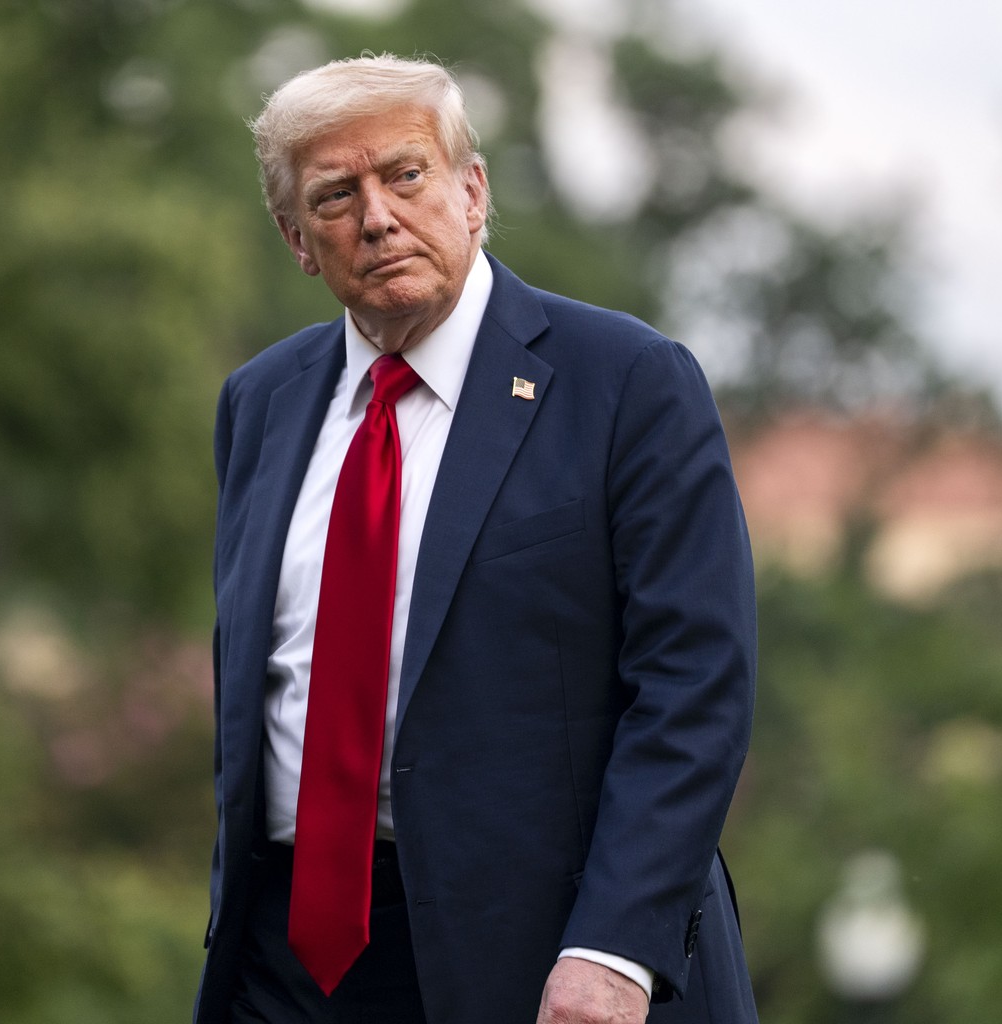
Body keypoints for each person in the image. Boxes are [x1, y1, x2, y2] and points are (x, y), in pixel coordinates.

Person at [196, 53, 757, 1024]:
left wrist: (614, 947)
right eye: (336, 194)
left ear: (472, 189)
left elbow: (693, 684)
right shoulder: (261, 402)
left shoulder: (627, 382)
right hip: (285, 961)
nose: (377, 216)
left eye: (405, 175)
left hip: (541, 958)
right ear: (296, 238)